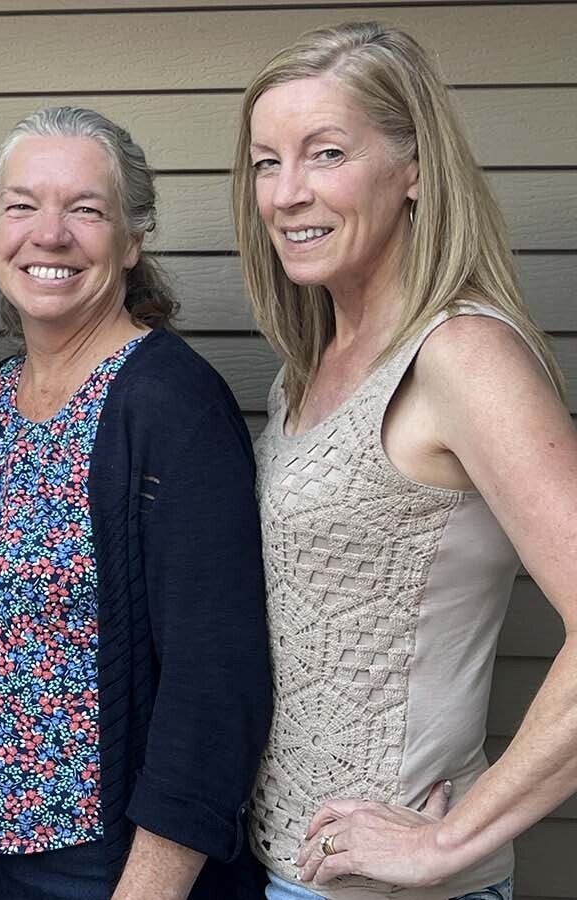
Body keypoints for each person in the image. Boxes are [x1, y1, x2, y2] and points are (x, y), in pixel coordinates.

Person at [0, 106, 272, 900]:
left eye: (85, 210)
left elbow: (215, 683)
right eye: (21, 205)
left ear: (132, 241)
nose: (49, 234)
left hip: (93, 866)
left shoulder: (171, 406)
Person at [235, 21, 577, 900]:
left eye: (326, 153)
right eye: (267, 161)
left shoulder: (462, 355)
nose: (287, 192)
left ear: (414, 167)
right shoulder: (306, 372)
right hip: (287, 872)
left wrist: (448, 841)